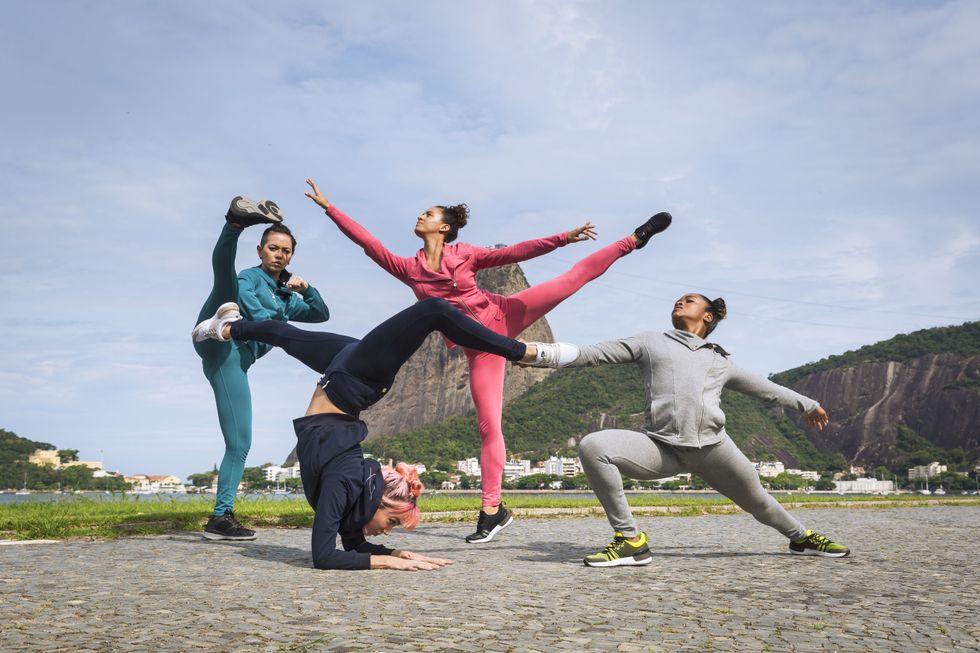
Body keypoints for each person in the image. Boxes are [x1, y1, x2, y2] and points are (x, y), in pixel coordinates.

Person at [303, 178, 671, 543]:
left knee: (572, 279)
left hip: (505, 313)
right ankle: (493, 510)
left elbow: (516, 253)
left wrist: (564, 237)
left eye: (428, 213)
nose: (420, 215)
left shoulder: (465, 254)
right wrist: (331, 208)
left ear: (444, 228)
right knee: (489, 427)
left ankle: (632, 240)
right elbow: (369, 244)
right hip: (482, 349)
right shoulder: (408, 268)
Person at [194, 297, 550, 569]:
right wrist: (389, 560)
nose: (387, 531)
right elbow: (332, 555)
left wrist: (393, 554)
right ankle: (523, 352)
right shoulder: (350, 483)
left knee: (288, 336)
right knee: (433, 311)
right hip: (357, 381)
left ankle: (229, 328)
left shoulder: (347, 493)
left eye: (392, 525)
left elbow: (335, 553)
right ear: (376, 498)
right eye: (392, 523)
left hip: (347, 379)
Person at [524, 293, 851, 566]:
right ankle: (630, 541)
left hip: (715, 450)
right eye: (678, 300)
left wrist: (808, 404)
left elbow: (765, 388)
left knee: (759, 503)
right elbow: (592, 354)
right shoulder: (650, 342)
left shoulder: (719, 361)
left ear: (708, 316)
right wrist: (538, 353)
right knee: (594, 446)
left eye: (689, 300)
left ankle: (802, 539)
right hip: (662, 449)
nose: (679, 302)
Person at [193, 197, 328, 541]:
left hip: (234, 363)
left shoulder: (288, 298)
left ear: (291, 256)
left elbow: (321, 314)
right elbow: (258, 315)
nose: (279, 255)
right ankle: (235, 223)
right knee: (225, 284)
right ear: (260, 250)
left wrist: (306, 289)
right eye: (272, 248)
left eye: (285, 251)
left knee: (240, 442)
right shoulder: (250, 278)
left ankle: (220, 518)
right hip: (221, 343)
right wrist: (281, 320)